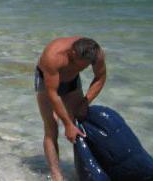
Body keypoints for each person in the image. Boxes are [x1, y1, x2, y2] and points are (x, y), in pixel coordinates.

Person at [35, 37, 106, 181]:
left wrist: (85, 102)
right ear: (72, 53)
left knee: (79, 121)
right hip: (46, 81)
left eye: (84, 67)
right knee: (51, 126)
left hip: (71, 81)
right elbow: (53, 94)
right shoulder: (53, 56)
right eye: (78, 64)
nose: (81, 68)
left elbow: (100, 77)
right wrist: (67, 124)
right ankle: (56, 174)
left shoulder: (96, 53)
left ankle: (83, 169)